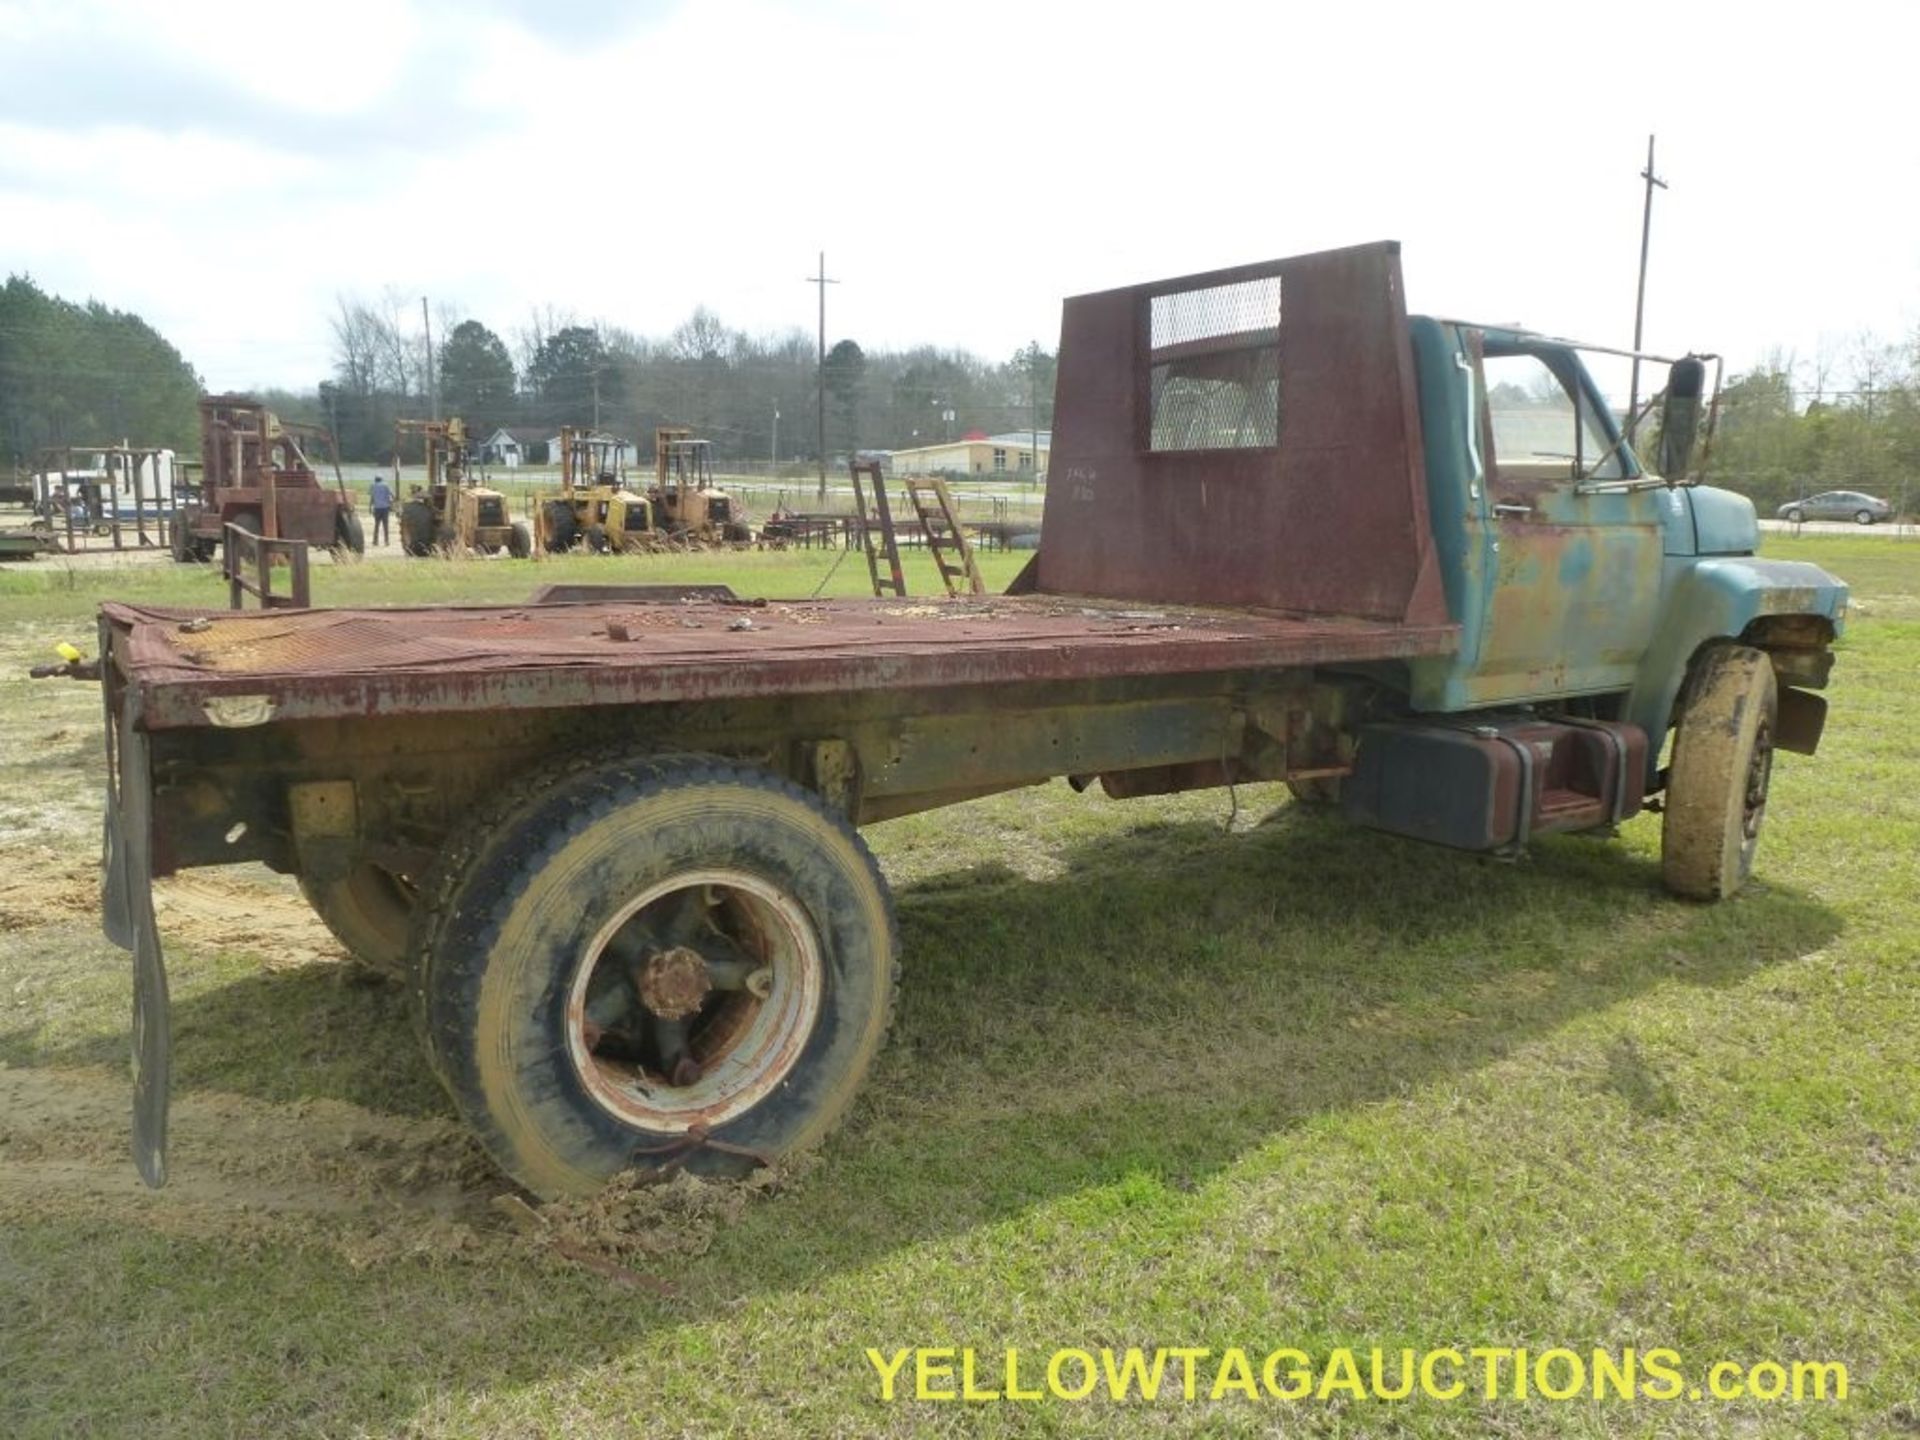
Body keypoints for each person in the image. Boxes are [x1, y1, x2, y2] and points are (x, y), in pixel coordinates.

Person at [369, 474, 394, 546]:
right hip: (385, 508)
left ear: (375, 480)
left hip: (377, 508)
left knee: (377, 525)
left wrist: (370, 507)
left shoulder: (373, 486)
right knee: (385, 525)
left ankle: (375, 541)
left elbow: (372, 498)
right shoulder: (386, 485)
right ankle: (386, 541)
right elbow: (392, 495)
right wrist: (391, 502)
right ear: (382, 479)